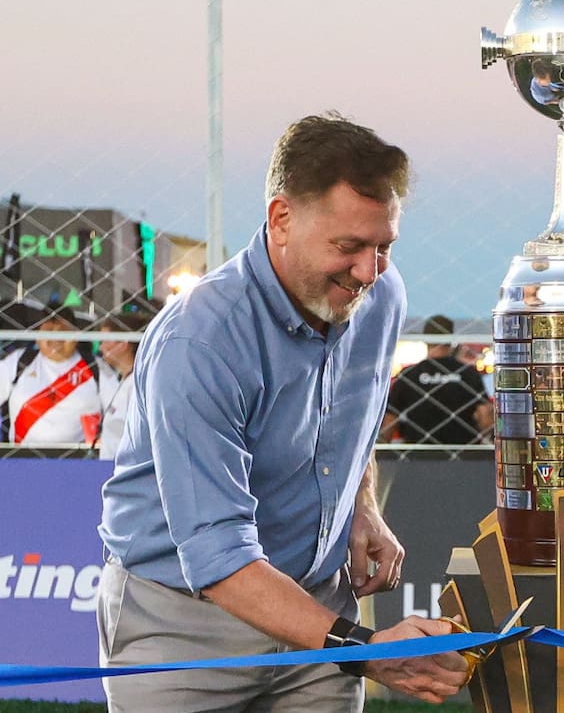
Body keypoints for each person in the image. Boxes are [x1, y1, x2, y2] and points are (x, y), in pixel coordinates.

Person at [98, 114, 468, 712]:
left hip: (320, 605)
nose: (369, 271)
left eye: (384, 246)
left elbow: (354, 416)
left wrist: (361, 506)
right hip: (184, 625)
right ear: (281, 219)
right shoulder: (201, 340)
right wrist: (364, 648)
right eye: (348, 247)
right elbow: (219, 559)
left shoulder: (379, 296)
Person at [381, 315, 493, 445]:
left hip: (418, 456)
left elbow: (390, 421)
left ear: (425, 340)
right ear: (451, 340)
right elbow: (485, 415)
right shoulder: (467, 373)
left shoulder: (409, 375)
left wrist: (383, 449)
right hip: (462, 455)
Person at [0, 301, 101, 445]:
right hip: (22, 459)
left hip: (80, 461)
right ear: (37, 335)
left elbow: (119, 413)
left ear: (76, 336)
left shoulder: (95, 367)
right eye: (48, 329)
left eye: (63, 331)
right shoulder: (19, 362)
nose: (55, 337)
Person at [95, 310, 153, 461]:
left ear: (123, 344)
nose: (101, 348)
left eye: (105, 341)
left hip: (125, 469)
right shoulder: (124, 381)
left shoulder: (136, 385)